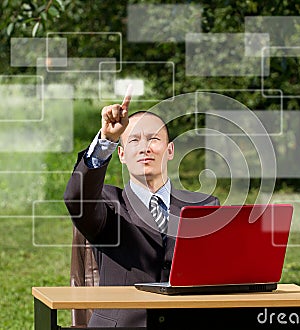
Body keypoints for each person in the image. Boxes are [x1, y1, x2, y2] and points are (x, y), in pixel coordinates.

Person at [64, 88, 220, 327]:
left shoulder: (205, 206)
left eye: (154, 139)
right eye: (134, 139)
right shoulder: (107, 203)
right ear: (122, 154)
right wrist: (106, 140)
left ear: (169, 151)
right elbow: (76, 199)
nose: (145, 147)